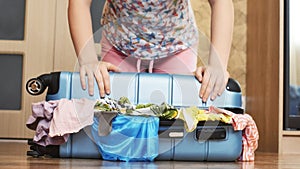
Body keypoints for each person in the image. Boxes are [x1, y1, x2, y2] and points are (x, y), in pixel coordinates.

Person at [68, 0, 234, 102]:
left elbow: (221, 2)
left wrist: (217, 65)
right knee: (112, 119)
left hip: (176, 46)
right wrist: (88, 60)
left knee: (176, 124)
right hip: (119, 44)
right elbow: (79, 2)